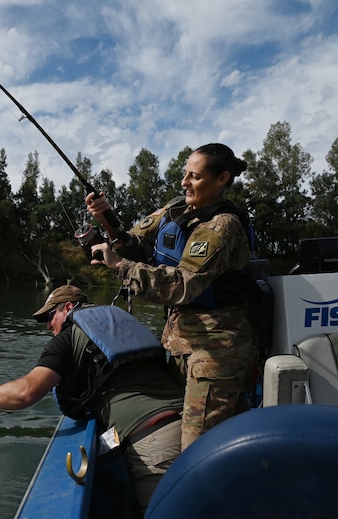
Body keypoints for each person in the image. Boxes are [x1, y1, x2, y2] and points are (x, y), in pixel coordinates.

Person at [0, 285, 184, 515]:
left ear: (67, 307)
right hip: (192, 421)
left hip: (153, 441)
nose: (48, 325)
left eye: (50, 316)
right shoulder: (121, 325)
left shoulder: (66, 339)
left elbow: (25, 392)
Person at [86, 143, 256, 451]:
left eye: (196, 176)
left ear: (222, 179)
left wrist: (119, 266)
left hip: (214, 350)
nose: (184, 182)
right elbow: (131, 240)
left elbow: (183, 285)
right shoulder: (176, 209)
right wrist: (105, 216)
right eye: (185, 174)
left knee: (197, 449)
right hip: (179, 344)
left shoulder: (222, 225)